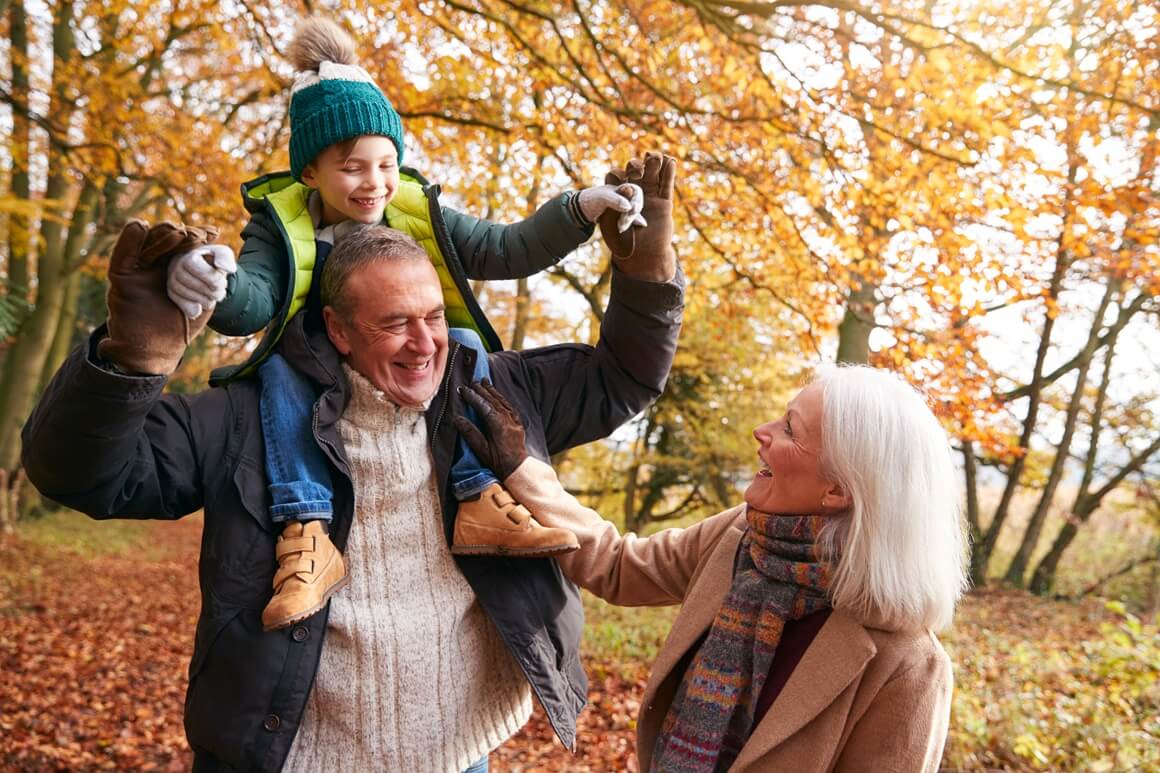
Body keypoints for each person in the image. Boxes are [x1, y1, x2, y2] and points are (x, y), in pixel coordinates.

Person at [22, 152, 683, 771]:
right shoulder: (248, 417)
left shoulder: (491, 393)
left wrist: (647, 276)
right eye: (396, 322)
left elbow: (621, 379)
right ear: (337, 327)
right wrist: (129, 363)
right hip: (301, 757)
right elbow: (83, 473)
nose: (426, 343)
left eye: (432, 315)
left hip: (462, 753)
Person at [162, 18, 648, 631]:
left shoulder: (417, 212)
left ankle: (478, 497)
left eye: (387, 164)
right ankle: (307, 531)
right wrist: (214, 284)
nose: (375, 184)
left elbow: (506, 249)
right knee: (278, 379)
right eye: (353, 167)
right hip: (318, 357)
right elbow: (253, 301)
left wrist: (577, 210)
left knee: (466, 344)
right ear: (309, 173)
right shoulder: (280, 226)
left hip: (399, 359)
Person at [455, 365, 969, 772]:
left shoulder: (908, 669)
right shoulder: (740, 535)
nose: (760, 432)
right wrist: (523, 469)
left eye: (790, 429)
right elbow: (619, 565)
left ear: (838, 490)